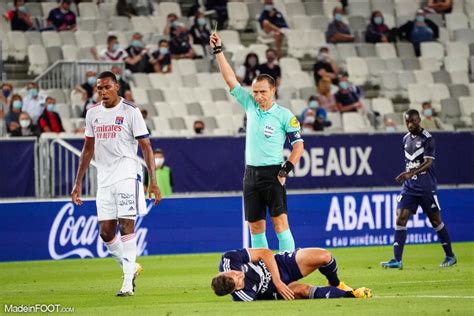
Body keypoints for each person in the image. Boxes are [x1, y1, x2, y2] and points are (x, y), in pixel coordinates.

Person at [210, 31, 304, 252]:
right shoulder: (250, 105)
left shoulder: (284, 115)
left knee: (280, 224)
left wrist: (286, 168)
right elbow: (230, 79)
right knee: (255, 227)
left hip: (273, 173)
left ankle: (288, 267)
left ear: (273, 90)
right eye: (255, 92)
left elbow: (298, 145)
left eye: (262, 92)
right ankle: (263, 272)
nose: (258, 96)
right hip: (250, 174)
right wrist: (218, 51)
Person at [71, 71, 161, 296]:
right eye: (99, 88)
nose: (102, 92)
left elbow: (146, 148)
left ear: (116, 87)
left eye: (106, 87)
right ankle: (130, 267)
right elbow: (88, 149)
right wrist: (78, 182)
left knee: (126, 226)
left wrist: (154, 181)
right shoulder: (92, 113)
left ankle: (127, 282)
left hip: (127, 174)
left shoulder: (131, 111)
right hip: (104, 178)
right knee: (105, 232)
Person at [381, 109, 456, 269]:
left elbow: (429, 162)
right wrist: (409, 175)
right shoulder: (405, 139)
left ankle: (450, 255)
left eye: (413, 121)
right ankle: (397, 260)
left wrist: (411, 173)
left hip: (426, 187)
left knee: (435, 221)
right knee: (400, 217)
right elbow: (411, 161)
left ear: (419, 120)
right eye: (407, 121)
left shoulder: (427, 139)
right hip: (409, 187)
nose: (410, 124)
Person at [211, 247, 372, 301]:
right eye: (239, 281)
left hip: (279, 265)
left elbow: (265, 253)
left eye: (235, 274)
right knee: (303, 290)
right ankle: (351, 294)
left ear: (225, 272)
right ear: (234, 290)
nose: (240, 275)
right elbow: (262, 299)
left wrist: (278, 280)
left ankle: (336, 284)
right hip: (275, 290)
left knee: (325, 257)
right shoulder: (243, 297)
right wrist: (280, 286)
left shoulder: (229, 259)